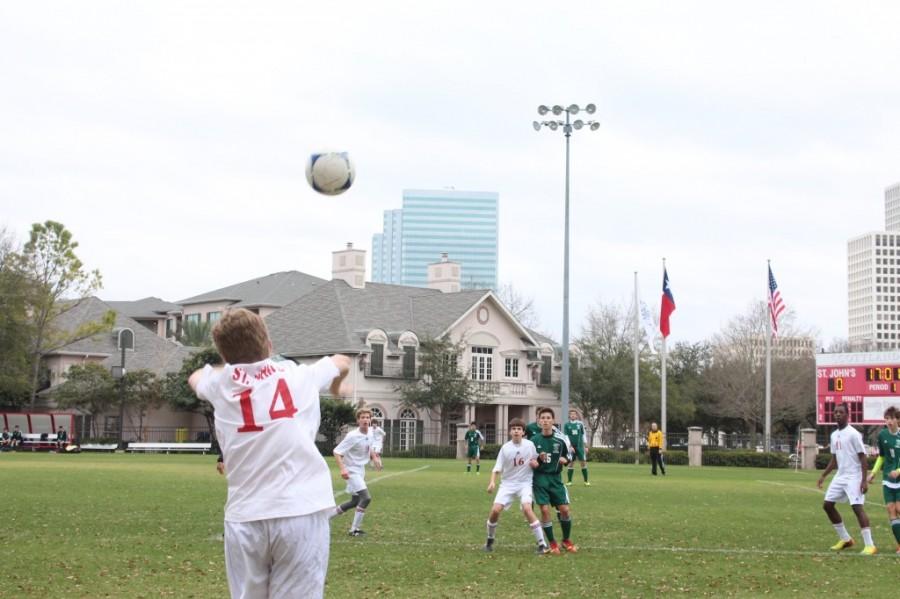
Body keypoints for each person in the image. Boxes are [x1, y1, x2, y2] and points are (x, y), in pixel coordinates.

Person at [188, 308, 351, 599]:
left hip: (245, 517)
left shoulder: (220, 384)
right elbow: (342, 360)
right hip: (300, 510)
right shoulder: (300, 375)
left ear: (225, 356)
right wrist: (338, 387)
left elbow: (195, 377)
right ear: (269, 344)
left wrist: (222, 369)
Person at [817, 402, 877, 555]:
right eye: (835, 412)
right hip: (841, 476)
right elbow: (834, 459)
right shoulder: (833, 435)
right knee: (827, 505)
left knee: (857, 507)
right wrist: (823, 476)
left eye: (840, 412)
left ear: (847, 415)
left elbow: (863, 458)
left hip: (854, 476)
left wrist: (863, 480)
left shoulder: (853, 434)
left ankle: (870, 545)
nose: (837, 414)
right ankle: (846, 539)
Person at [484, 418, 548, 554]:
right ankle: (489, 540)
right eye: (514, 429)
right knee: (495, 511)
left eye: (519, 429)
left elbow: (536, 460)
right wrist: (492, 482)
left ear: (523, 432)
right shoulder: (505, 448)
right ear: (509, 432)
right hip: (507, 484)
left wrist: (536, 463)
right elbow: (497, 468)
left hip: (525, 483)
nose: (516, 431)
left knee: (527, 509)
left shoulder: (530, 445)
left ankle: (542, 544)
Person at [531, 408, 577, 555]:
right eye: (542, 418)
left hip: (556, 479)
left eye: (548, 418)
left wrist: (567, 459)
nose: (545, 420)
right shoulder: (533, 441)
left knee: (564, 510)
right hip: (539, 479)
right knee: (544, 510)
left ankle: (566, 540)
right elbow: (530, 462)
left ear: (553, 421)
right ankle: (552, 542)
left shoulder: (560, 439)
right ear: (538, 421)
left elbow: (571, 454)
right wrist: (538, 459)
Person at [332, 408, 382, 536]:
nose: (365, 420)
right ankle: (354, 530)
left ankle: (324, 518)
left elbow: (369, 446)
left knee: (355, 501)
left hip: (361, 470)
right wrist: (343, 469)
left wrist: (375, 458)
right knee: (366, 498)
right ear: (358, 420)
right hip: (351, 470)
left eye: (367, 417)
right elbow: (337, 452)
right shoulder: (352, 436)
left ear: (370, 419)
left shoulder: (370, 432)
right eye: (363, 417)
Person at [867, 405, 900, 553]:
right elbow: (882, 457)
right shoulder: (882, 435)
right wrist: (873, 472)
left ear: (897, 420)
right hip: (888, 479)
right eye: (886, 419)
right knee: (890, 509)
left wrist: (898, 471)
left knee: (899, 508)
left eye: (891, 419)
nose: (889, 422)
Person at [563, 409, 590, 486]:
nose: (573, 415)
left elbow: (583, 435)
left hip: (580, 446)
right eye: (571, 414)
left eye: (574, 414)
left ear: (576, 415)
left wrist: (586, 446)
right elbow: (566, 436)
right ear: (569, 416)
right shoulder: (567, 425)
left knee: (583, 462)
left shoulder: (580, 424)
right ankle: (569, 481)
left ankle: (586, 481)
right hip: (571, 447)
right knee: (571, 463)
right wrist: (570, 446)